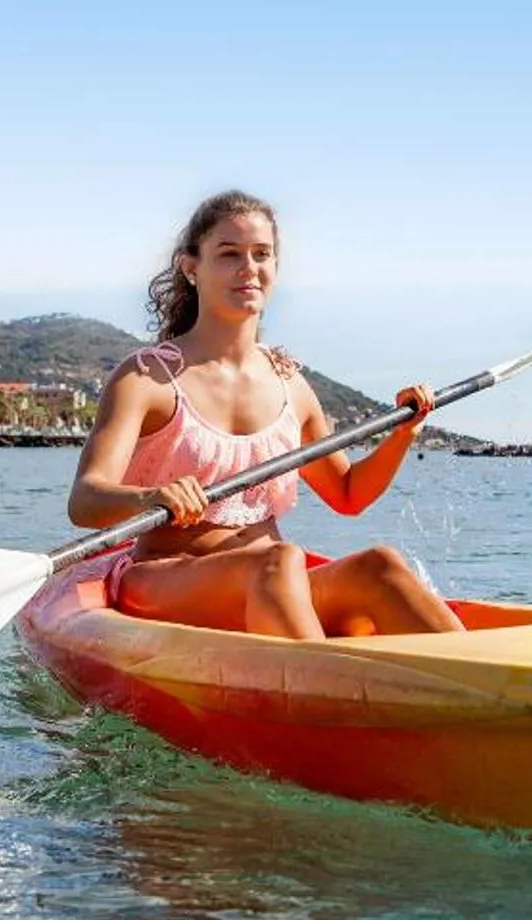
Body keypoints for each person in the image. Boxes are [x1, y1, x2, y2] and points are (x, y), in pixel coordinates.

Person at [66, 190, 463, 641]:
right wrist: (150, 497)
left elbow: (348, 494)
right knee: (277, 561)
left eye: (261, 254)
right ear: (191, 267)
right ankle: (322, 678)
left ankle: (478, 675)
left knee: (380, 567)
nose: (248, 268)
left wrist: (403, 433)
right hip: (166, 580)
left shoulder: (290, 383)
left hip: (274, 582)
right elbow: (85, 501)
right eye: (229, 253)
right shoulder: (146, 379)